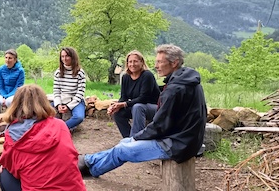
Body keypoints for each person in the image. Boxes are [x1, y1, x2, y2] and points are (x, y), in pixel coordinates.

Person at [78, 44, 207, 178]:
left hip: (178, 144)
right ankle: (88, 162)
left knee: (124, 148)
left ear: (174, 63)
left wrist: (136, 137)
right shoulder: (187, 80)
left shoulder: (175, 89)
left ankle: (91, 168)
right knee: (125, 143)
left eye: (159, 62)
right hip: (185, 138)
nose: (156, 66)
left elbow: (160, 126)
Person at [0, 84, 95, 191]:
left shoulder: (12, 135)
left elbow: (11, 168)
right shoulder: (61, 126)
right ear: (44, 102)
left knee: (5, 174)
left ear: (15, 105)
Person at [108, 50, 160, 138]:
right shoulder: (125, 77)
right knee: (118, 112)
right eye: (130, 62)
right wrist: (116, 106)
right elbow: (123, 97)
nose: (132, 64)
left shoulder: (147, 75)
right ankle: (128, 138)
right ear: (127, 63)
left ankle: (136, 139)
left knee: (138, 107)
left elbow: (144, 98)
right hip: (138, 107)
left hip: (155, 108)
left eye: (135, 61)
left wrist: (124, 104)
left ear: (141, 62)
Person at [52, 47, 87, 131]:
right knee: (45, 112)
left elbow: (80, 92)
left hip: (75, 100)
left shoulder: (80, 73)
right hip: (62, 98)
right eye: (62, 56)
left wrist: (68, 106)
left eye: (67, 56)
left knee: (79, 117)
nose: (64, 59)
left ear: (72, 57)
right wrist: (58, 104)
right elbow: (56, 90)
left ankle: (60, 129)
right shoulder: (58, 72)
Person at [0, 49, 25, 115]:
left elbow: (18, 87)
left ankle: (12, 119)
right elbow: (0, 85)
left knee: (9, 102)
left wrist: (7, 97)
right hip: (3, 93)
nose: (7, 60)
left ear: (15, 60)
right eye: (6, 58)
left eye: (10, 58)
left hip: (14, 93)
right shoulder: (1, 69)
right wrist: (4, 96)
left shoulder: (20, 71)